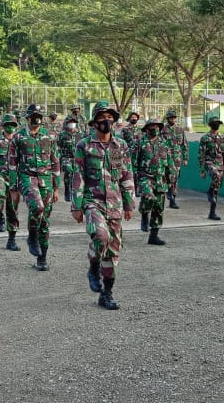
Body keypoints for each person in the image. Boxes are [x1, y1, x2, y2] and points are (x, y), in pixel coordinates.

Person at [72, 100, 136, 310]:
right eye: (102, 117)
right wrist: (77, 205)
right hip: (93, 201)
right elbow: (78, 175)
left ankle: (106, 294)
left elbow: (126, 174)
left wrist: (129, 203)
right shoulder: (84, 145)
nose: (106, 121)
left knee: (113, 252)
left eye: (110, 117)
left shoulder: (120, 145)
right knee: (101, 236)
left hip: (115, 203)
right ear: (95, 122)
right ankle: (93, 266)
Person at [15, 104, 60, 271]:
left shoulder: (49, 136)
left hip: (46, 179)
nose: (37, 118)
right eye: (34, 116)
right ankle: (32, 236)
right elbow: (12, 163)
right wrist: (13, 188)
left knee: (45, 220)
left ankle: (42, 258)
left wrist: (56, 187)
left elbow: (55, 161)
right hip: (27, 177)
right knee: (37, 207)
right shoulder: (19, 137)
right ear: (27, 118)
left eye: (39, 115)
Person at [132, 117, 169, 245]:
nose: (155, 128)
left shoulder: (164, 143)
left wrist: (170, 178)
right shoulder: (140, 143)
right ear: (147, 128)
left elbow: (168, 161)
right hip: (145, 177)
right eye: (152, 126)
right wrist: (133, 180)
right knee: (149, 197)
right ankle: (144, 213)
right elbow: (133, 162)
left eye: (157, 126)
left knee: (159, 208)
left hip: (160, 179)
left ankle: (153, 236)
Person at [0, 114, 21, 250]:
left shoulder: (20, 140)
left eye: (13, 125)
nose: (10, 127)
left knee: (13, 210)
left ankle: (11, 240)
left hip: (14, 177)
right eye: (8, 124)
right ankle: (0, 216)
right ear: (3, 126)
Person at [198, 116, 224, 220]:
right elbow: (201, 154)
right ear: (210, 125)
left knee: (216, 189)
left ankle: (212, 213)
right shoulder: (205, 138)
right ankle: (209, 191)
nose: (216, 125)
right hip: (209, 162)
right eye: (214, 123)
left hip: (220, 164)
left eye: (218, 123)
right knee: (216, 175)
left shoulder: (223, 138)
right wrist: (202, 170)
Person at [163, 109, 187, 209]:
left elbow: (184, 144)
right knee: (167, 177)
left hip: (177, 158)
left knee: (175, 178)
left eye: (174, 117)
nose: (173, 119)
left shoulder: (180, 129)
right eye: (171, 118)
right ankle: (167, 194)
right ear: (167, 118)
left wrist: (185, 158)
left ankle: (173, 200)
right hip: (165, 158)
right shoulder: (163, 129)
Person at [58, 115, 82, 201]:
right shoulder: (62, 134)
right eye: (70, 122)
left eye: (73, 122)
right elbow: (58, 146)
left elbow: (81, 146)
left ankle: (72, 191)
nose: (72, 124)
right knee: (68, 170)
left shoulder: (79, 134)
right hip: (66, 157)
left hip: (76, 158)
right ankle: (67, 190)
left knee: (75, 175)